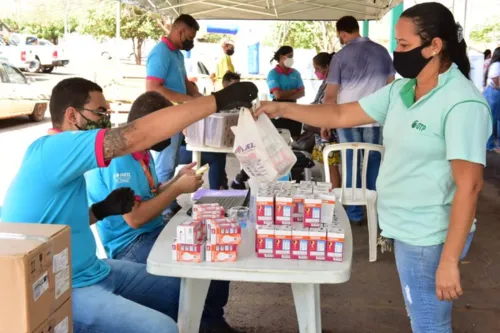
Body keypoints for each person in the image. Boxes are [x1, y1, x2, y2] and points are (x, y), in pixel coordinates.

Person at [256, 3, 491, 332]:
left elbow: (470, 186)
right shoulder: (401, 90)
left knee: (430, 325)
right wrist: (279, 107)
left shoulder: (461, 103)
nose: (396, 51)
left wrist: (449, 261)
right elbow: (339, 115)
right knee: (422, 316)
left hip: (428, 234)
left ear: (435, 45)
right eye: (396, 43)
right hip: (405, 227)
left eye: (405, 45)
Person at [1, 77, 257, 333]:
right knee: (162, 328)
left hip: (93, 269)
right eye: (100, 112)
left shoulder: (63, 161)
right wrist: (216, 101)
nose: (106, 119)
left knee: (190, 290)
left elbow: (58, 222)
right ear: (72, 115)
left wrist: (101, 211)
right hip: (64, 286)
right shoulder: (54, 148)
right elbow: (138, 134)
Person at [85, 91, 239, 333]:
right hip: (130, 245)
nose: (170, 134)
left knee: (216, 250)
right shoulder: (120, 159)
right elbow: (134, 218)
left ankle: (212, 320)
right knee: (197, 269)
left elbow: (151, 192)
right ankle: (203, 324)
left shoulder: (142, 152)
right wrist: (177, 188)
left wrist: (175, 180)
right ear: (150, 125)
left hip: (152, 231)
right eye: (166, 127)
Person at [323, 15, 395, 224]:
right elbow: (391, 86)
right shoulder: (382, 52)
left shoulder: (340, 57)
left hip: (347, 118)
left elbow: (330, 95)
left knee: (350, 162)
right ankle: (373, 209)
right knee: (374, 161)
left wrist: (326, 122)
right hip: (376, 117)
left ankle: (354, 213)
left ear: (342, 33)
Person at [146, 14, 202, 219]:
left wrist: (197, 96)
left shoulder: (177, 54)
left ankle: (168, 202)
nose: (191, 42)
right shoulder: (160, 53)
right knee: (165, 165)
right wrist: (188, 100)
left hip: (176, 115)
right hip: (164, 117)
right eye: (189, 37)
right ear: (180, 31)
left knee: (171, 161)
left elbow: (183, 81)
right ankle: (162, 209)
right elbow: (153, 88)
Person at [181, 72, 243, 190]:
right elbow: (187, 133)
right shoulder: (183, 113)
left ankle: (220, 185)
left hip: (194, 146)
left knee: (219, 154)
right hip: (182, 151)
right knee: (217, 157)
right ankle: (216, 190)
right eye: (193, 95)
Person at [310, 52, 341, 188]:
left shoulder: (334, 83)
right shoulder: (326, 82)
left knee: (332, 165)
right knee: (328, 166)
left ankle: (335, 197)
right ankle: (331, 194)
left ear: (327, 66)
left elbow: (328, 104)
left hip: (329, 131)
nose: (316, 72)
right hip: (323, 128)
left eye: (317, 68)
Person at [267, 45, 305, 139]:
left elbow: (302, 93)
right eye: (290, 56)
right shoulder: (273, 74)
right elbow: (277, 95)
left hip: (293, 108)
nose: (291, 59)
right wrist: (294, 91)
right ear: (281, 57)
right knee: (280, 138)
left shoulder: (295, 73)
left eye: (292, 56)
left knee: (296, 138)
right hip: (278, 109)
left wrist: (286, 95)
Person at [484, 47, 500, 152]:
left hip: (492, 93)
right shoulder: (497, 64)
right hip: (494, 93)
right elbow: (495, 79)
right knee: (493, 120)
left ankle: (493, 144)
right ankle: (490, 145)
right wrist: (498, 86)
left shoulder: (493, 64)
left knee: (494, 119)